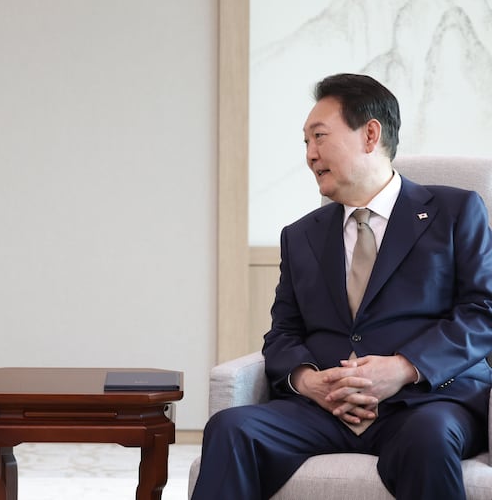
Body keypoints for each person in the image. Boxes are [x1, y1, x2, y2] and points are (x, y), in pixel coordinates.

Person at [191, 73, 492, 499]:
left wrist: (402, 369)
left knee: (430, 438)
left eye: (320, 138)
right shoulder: (301, 236)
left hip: (425, 403)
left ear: (371, 134)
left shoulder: (455, 211)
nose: (310, 156)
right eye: (306, 144)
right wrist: (310, 381)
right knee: (232, 427)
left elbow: (482, 314)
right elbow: (282, 333)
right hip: (323, 409)